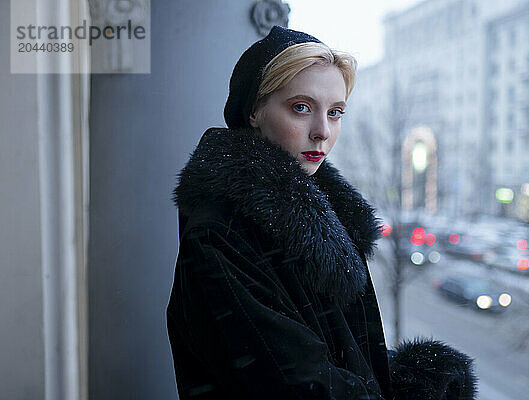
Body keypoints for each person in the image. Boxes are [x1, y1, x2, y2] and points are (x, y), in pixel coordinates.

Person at [166, 25, 477, 400]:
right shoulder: (224, 231)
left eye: (335, 112)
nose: (322, 131)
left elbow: (330, 354)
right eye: (301, 108)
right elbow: (294, 385)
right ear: (253, 111)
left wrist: (412, 382)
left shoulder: (319, 216)